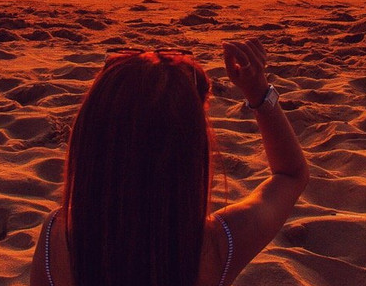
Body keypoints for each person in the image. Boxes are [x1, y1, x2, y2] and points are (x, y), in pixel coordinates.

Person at [30, 39, 309, 286]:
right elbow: (291, 174)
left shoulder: (58, 240)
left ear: (90, 145)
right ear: (191, 155)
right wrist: (260, 94)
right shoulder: (216, 246)